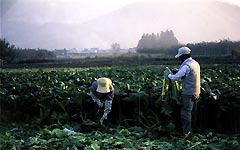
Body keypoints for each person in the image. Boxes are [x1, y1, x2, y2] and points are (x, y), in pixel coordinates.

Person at [164, 46, 200, 134]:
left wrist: (168, 74)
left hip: (188, 93)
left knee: (185, 114)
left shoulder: (186, 66)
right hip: (197, 92)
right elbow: (188, 73)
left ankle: (187, 133)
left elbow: (175, 78)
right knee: (193, 114)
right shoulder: (195, 63)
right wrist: (177, 70)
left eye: (180, 57)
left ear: (183, 56)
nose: (180, 59)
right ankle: (194, 131)